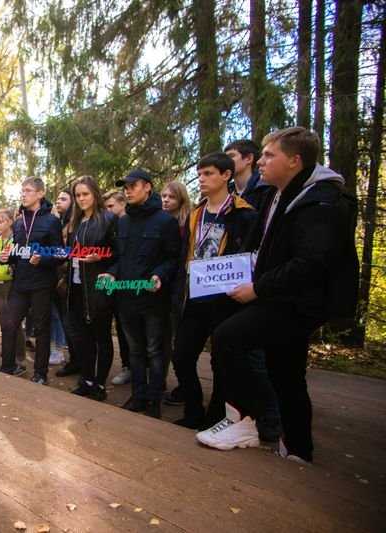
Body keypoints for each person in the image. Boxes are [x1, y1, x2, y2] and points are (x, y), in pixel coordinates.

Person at [199, 127, 358, 464]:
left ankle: (243, 420)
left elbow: (311, 263)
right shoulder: (277, 195)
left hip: (298, 302)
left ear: (295, 161)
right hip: (280, 294)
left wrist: (257, 288)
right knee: (286, 372)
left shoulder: (322, 202)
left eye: (270, 155)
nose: (261, 161)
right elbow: (267, 248)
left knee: (228, 337)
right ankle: (299, 448)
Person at [169, 153, 256, 429]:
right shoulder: (195, 213)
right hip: (193, 298)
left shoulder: (244, 214)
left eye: (208, 173)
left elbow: (253, 258)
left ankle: (215, 417)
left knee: (222, 363)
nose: (202, 179)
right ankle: (193, 411)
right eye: (200, 174)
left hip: (226, 300)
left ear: (226, 176)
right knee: (181, 356)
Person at [101, 169, 180, 418]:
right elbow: (119, 258)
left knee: (155, 351)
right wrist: (111, 273)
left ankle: (153, 401)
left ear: (147, 187)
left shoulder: (165, 221)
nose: (127, 190)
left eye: (132, 185)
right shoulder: (123, 221)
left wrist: (159, 275)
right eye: (125, 186)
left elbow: (173, 258)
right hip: (125, 298)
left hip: (154, 300)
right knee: (134, 351)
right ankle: (138, 395)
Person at [225, 139, 282, 441]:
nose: (262, 162)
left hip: (263, 284)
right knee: (240, 352)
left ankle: (270, 418)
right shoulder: (234, 194)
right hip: (238, 281)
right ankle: (245, 413)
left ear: (246, 159)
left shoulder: (266, 192)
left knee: (259, 356)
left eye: (231, 157)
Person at [0, 177, 64, 384]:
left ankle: (40, 374)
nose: (23, 194)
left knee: (42, 329)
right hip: (20, 283)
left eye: (28, 191)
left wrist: (43, 259)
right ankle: (7, 367)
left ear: (40, 193)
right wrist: (8, 257)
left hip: (42, 284)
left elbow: (61, 253)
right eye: (22, 191)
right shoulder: (18, 222)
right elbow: (18, 252)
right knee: (9, 324)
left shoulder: (51, 221)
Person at [63, 176, 116, 401]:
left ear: (95, 193)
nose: (82, 199)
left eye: (85, 194)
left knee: (101, 337)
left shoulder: (109, 219)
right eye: (78, 195)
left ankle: (100, 384)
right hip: (76, 286)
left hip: (98, 287)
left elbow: (118, 251)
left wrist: (101, 259)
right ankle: (86, 379)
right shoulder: (74, 221)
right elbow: (71, 254)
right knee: (83, 339)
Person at [159, 181, 193, 406]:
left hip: (183, 289)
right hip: (161, 287)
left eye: (170, 197)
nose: (165, 200)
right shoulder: (160, 222)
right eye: (162, 196)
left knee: (179, 342)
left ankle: (185, 387)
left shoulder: (189, 222)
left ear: (181, 199)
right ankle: (159, 380)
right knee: (162, 338)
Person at [102, 191, 132, 386]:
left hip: (128, 283)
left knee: (126, 328)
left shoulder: (130, 223)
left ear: (122, 204)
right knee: (119, 327)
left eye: (111, 206)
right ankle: (127, 367)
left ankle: (136, 368)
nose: (109, 211)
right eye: (106, 208)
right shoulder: (108, 225)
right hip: (107, 282)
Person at [0, 209, 25, 366]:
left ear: (10, 221)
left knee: (14, 324)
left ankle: (20, 360)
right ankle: (8, 357)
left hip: (11, 285)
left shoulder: (17, 240)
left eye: (1, 221)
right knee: (4, 324)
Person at [50, 187, 74, 365]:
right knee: (63, 318)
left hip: (71, 277)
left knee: (71, 321)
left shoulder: (76, 223)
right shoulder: (58, 223)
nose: (58, 201)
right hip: (56, 277)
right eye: (57, 199)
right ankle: (74, 361)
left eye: (63, 199)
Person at [225, 139, 276, 212]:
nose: (225, 161)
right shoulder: (226, 191)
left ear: (249, 159)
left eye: (231, 156)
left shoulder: (265, 189)